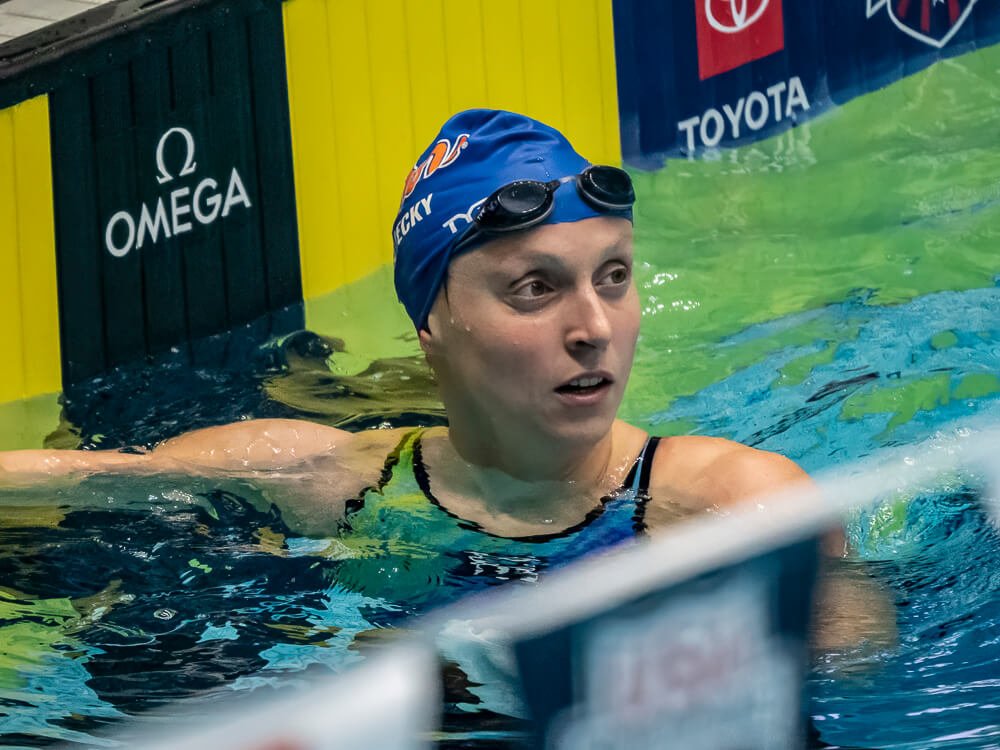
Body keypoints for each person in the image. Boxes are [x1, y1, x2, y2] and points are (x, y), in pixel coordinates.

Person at [0, 109, 891, 648]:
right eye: (535, 288)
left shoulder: (739, 506)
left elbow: (864, 707)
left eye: (613, 277)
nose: (594, 328)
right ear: (430, 323)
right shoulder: (333, 481)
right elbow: (89, 474)